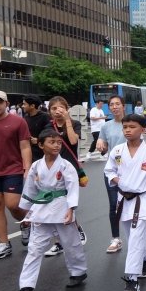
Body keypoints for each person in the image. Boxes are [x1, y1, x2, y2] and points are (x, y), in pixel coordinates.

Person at [13, 128, 87, 291]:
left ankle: (78, 272)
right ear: (40, 145)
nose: (56, 145)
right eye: (52, 142)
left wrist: (71, 209)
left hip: (62, 208)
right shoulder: (35, 166)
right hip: (40, 210)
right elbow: (30, 190)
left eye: (59, 142)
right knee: (34, 249)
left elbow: (72, 188)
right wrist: (26, 214)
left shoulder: (66, 165)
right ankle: (26, 286)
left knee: (71, 244)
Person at [104, 114, 146, 291]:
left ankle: (132, 279)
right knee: (132, 237)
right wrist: (116, 179)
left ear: (143, 130)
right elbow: (109, 170)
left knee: (136, 237)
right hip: (123, 199)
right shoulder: (117, 151)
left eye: (132, 127)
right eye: (125, 127)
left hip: (142, 199)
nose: (128, 130)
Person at [0, 90, 32, 259]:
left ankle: (26, 223)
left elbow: (25, 146)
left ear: (6, 103)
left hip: (13, 169)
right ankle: (3, 244)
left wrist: (27, 168)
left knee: (13, 205)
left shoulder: (18, 122)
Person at [44, 96, 87, 256]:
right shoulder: (48, 125)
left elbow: (73, 141)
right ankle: (58, 242)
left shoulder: (75, 123)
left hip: (70, 169)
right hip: (52, 169)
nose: (57, 111)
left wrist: (67, 120)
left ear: (66, 108)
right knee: (53, 206)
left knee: (66, 203)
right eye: (53, 109)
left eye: (60, 108)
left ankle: (75, 229)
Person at [96, 96, 127, 253]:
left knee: (132, 206)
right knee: (114, 205)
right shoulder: (105, 127)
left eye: (117, 104)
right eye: (111, 105)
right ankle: (116, 238)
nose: (114, 107)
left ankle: (136, 237)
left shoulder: (131, 123)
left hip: (130, 171)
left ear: (123, 106)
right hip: (112, 171)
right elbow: (103, 147)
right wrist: (101, 146)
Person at [22, 96, 51, 162]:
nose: (23, 106)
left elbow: (50, 133)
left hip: (41, 153)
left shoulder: (45, 117)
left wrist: (38, 140)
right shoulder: (26, 117)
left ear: (32, 106)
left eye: (24, 104)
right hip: (28, 150)